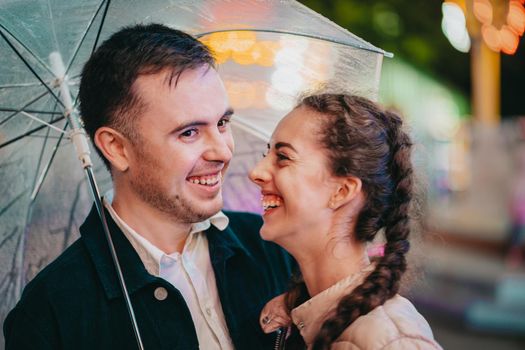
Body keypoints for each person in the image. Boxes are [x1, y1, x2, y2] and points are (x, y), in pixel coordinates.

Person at [3, 24, 293, 350]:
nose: (222, 152)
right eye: (189, 133)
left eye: (222, 123)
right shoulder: (51, 314)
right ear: (117, 148)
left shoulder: (276, 246)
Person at [250, 94, 442, 349]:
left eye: (283, 157)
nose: (257, 172)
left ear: (342, 191)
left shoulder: (392, 341)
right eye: (267, 153)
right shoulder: (293, 316)